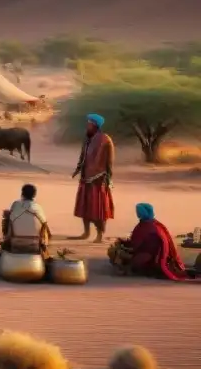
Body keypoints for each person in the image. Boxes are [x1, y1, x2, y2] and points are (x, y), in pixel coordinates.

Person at [109, 203, 195, 281]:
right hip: (145, 253)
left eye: (138, 211)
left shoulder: (150, 227)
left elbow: (144, 247)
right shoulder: (151, 224)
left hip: (149, 256)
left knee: (118, 253)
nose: (137, 213)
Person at [72, 113, 114, 242]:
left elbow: (109, 161)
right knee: (85, 206)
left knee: (99, 209)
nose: (87, 126)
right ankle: (86, 233)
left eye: (89, 124)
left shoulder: (105, 140)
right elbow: (82, 156)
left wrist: (108, 178)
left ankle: (100, 235)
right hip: (85, 177)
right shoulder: (87, 139)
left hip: (99, 179)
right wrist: (78, 168)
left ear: (96, 126)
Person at [2, 184, 50, 255]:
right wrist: (42, 241)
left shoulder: (16, 204)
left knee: (7, 216)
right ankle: (45, 250)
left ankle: (6, 242)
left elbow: (10, 221)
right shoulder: (38, 207)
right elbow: (44, 224)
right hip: (34, 245)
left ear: (22, 193)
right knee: (44, 224)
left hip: (16, 244)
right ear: (34, 195)